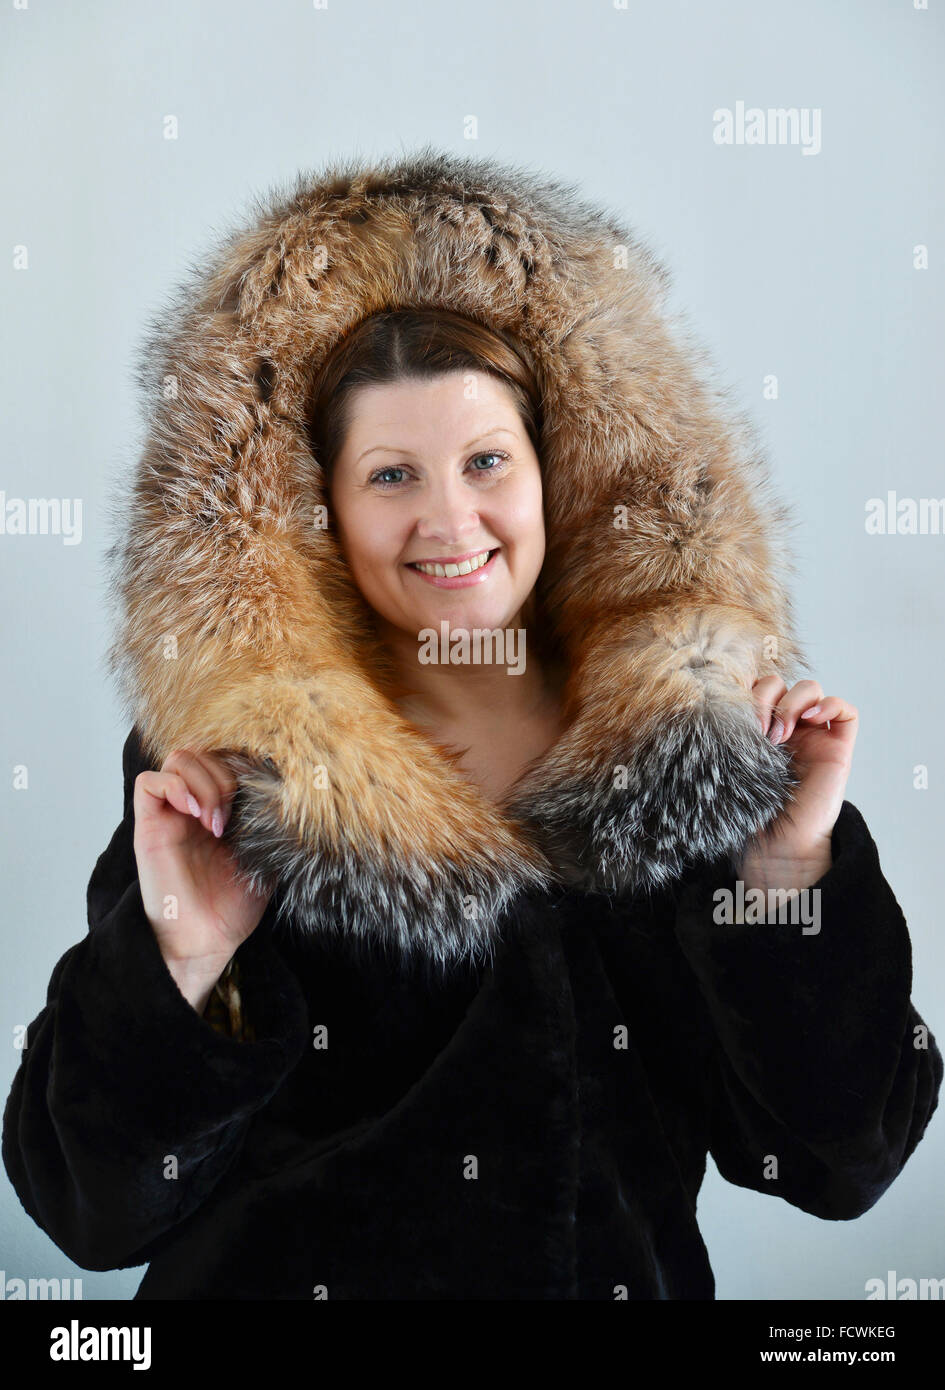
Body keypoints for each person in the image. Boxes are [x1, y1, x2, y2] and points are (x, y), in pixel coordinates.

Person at [3, 152, 941, 1299]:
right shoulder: (234, 768)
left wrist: (789, 869)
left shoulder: (692, 746)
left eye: (487, 460)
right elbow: (90, 1210)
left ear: (557, 473)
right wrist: (185, 957)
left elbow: (836, 1163)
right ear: (321, 513)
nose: (452, 520)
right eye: (392, 475)